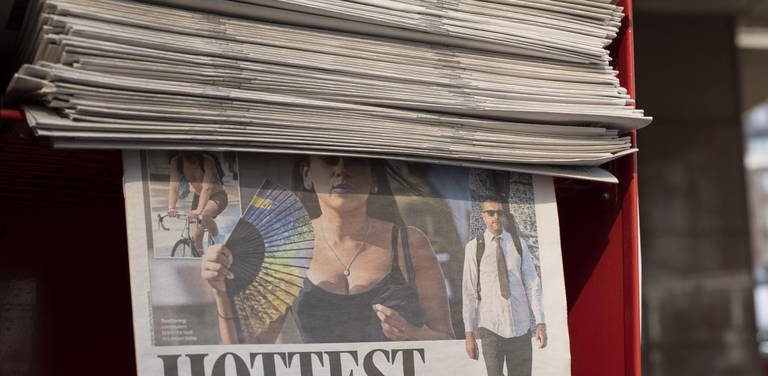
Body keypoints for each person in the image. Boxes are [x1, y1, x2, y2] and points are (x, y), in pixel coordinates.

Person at [200, 155, 453, 344]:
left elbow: (446, 339)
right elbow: (248, 354)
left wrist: (414, 335)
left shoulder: (410, 243)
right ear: (308, 176)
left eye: (354, 161)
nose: (341, 171)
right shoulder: (286, 249)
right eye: (330, 160)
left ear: (374, 178)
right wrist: (222, 293)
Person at [461, 195, 546, 376]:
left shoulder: (518, 244)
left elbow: (533, 284)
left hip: (520, 328)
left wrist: (540, 322)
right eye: (490, 213)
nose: (495, 217)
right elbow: (469, 292)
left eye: (499, 213)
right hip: (491, 328)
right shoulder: (474, 247)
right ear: (483, 215)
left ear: (504, 215)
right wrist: (469, 335)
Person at [167, 151, 228, 253]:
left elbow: (207, 188)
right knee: (196, 237)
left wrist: (199, 209)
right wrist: (171, 207)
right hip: (198, 196)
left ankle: (218, 238)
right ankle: (200, 256)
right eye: (187, 154)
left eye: (193, 153)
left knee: (204, 214)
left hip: (218, 195)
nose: (191, 157)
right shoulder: (176, 162)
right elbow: (174, 185)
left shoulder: (207, 161)